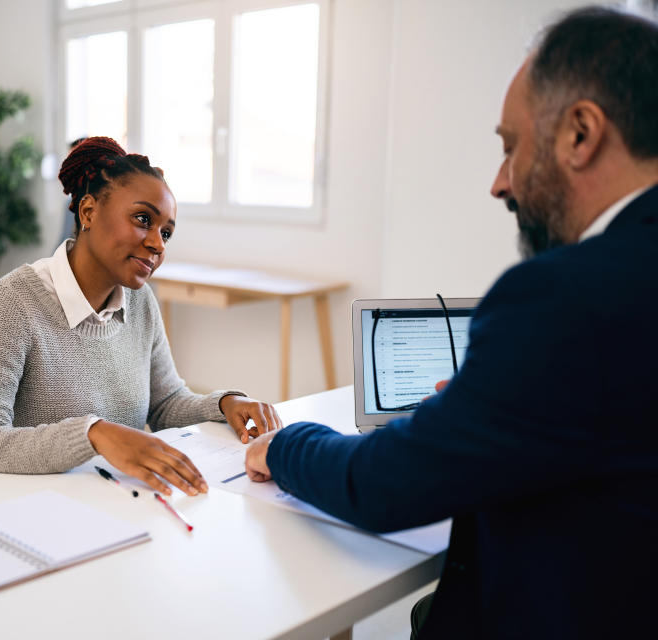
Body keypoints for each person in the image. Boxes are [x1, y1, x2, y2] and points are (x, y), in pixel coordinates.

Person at [245, 7, 658, 639]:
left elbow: (381, 486)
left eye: (511, 146)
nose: (500, 183)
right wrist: (484, 410)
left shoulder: (565, 297)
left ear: (581, 133)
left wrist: (284, 443)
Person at [0, 136, 282, 495]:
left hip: (117, 505)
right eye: (142, 219)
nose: (158, 244)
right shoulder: (12, 304)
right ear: (88, 212)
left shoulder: (140, 302)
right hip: (34, 513)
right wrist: (93, 434)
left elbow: (165, 403)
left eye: (166, 232)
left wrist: (225, 403)